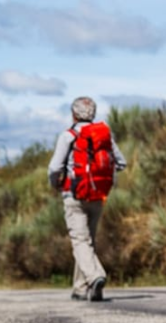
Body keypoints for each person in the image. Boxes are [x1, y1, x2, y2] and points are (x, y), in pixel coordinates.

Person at [47, 96, 127, 302]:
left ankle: (95, 277)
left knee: (80, 241)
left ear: (73, 114)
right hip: (98, 195)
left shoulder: (68, 136)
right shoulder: (104, 135)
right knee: (87, 241)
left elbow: (55, 167)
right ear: (93, 113)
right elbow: (121, 162)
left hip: (74, 195)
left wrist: (55, 183)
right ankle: (80, 288)